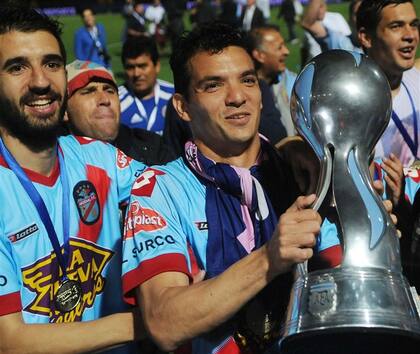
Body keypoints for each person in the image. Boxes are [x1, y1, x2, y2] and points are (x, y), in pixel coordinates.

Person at [121, 22, 321, 353]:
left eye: (248, 80)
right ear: (183, 107)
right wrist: (269, 258)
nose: (237, 97)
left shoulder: (300, 171)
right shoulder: (159, 191)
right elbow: (165, 323)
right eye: (213, 86)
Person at [0, 7, 146, 353]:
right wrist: (155, 319)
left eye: (51, 64)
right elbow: (10, 340)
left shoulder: (99, 158)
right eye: (17, 67)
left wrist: (284, 149)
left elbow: (176, 184)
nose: (40, 81)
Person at [65, 60, 175, 165]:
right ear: (64, 110)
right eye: (89, 91)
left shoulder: (154, 149)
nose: (105, 99)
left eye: (110, 91)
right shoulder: (53, 163)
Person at [357, 0, 420, 167]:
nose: (410, 35)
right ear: (366, 37)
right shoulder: (352, 107)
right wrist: (292, 145)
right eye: (396, 26)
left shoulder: (417, 75)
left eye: (414, 25)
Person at [119, 36, 174, 135]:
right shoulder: (115, 102)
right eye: (130, 67)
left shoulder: (174, 96)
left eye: (142, 66)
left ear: (157, 66)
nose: (136, 73)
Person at [249, 25, 297, 137]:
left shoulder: (293, 81)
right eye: (279, 48)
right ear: (260, 55)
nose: (287, 51)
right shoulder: (246, 95)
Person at [300, 0, 363, 64]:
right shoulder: (339, 42)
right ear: (350, 19)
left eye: (367, 13)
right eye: (358, 14)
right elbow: (308, 24)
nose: (363, 18)